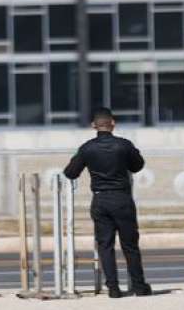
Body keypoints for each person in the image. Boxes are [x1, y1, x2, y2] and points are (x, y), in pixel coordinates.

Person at [63, 107, 152, 299]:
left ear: (94, 126)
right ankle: (139, 286)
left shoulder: (87, 148)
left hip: (100, 198)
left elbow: (70, 172)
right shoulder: (124, 145)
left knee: (105, 245)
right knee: (130, 245)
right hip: (122, 198)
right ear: (113, 124)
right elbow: (138, 165)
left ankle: (113, 288)